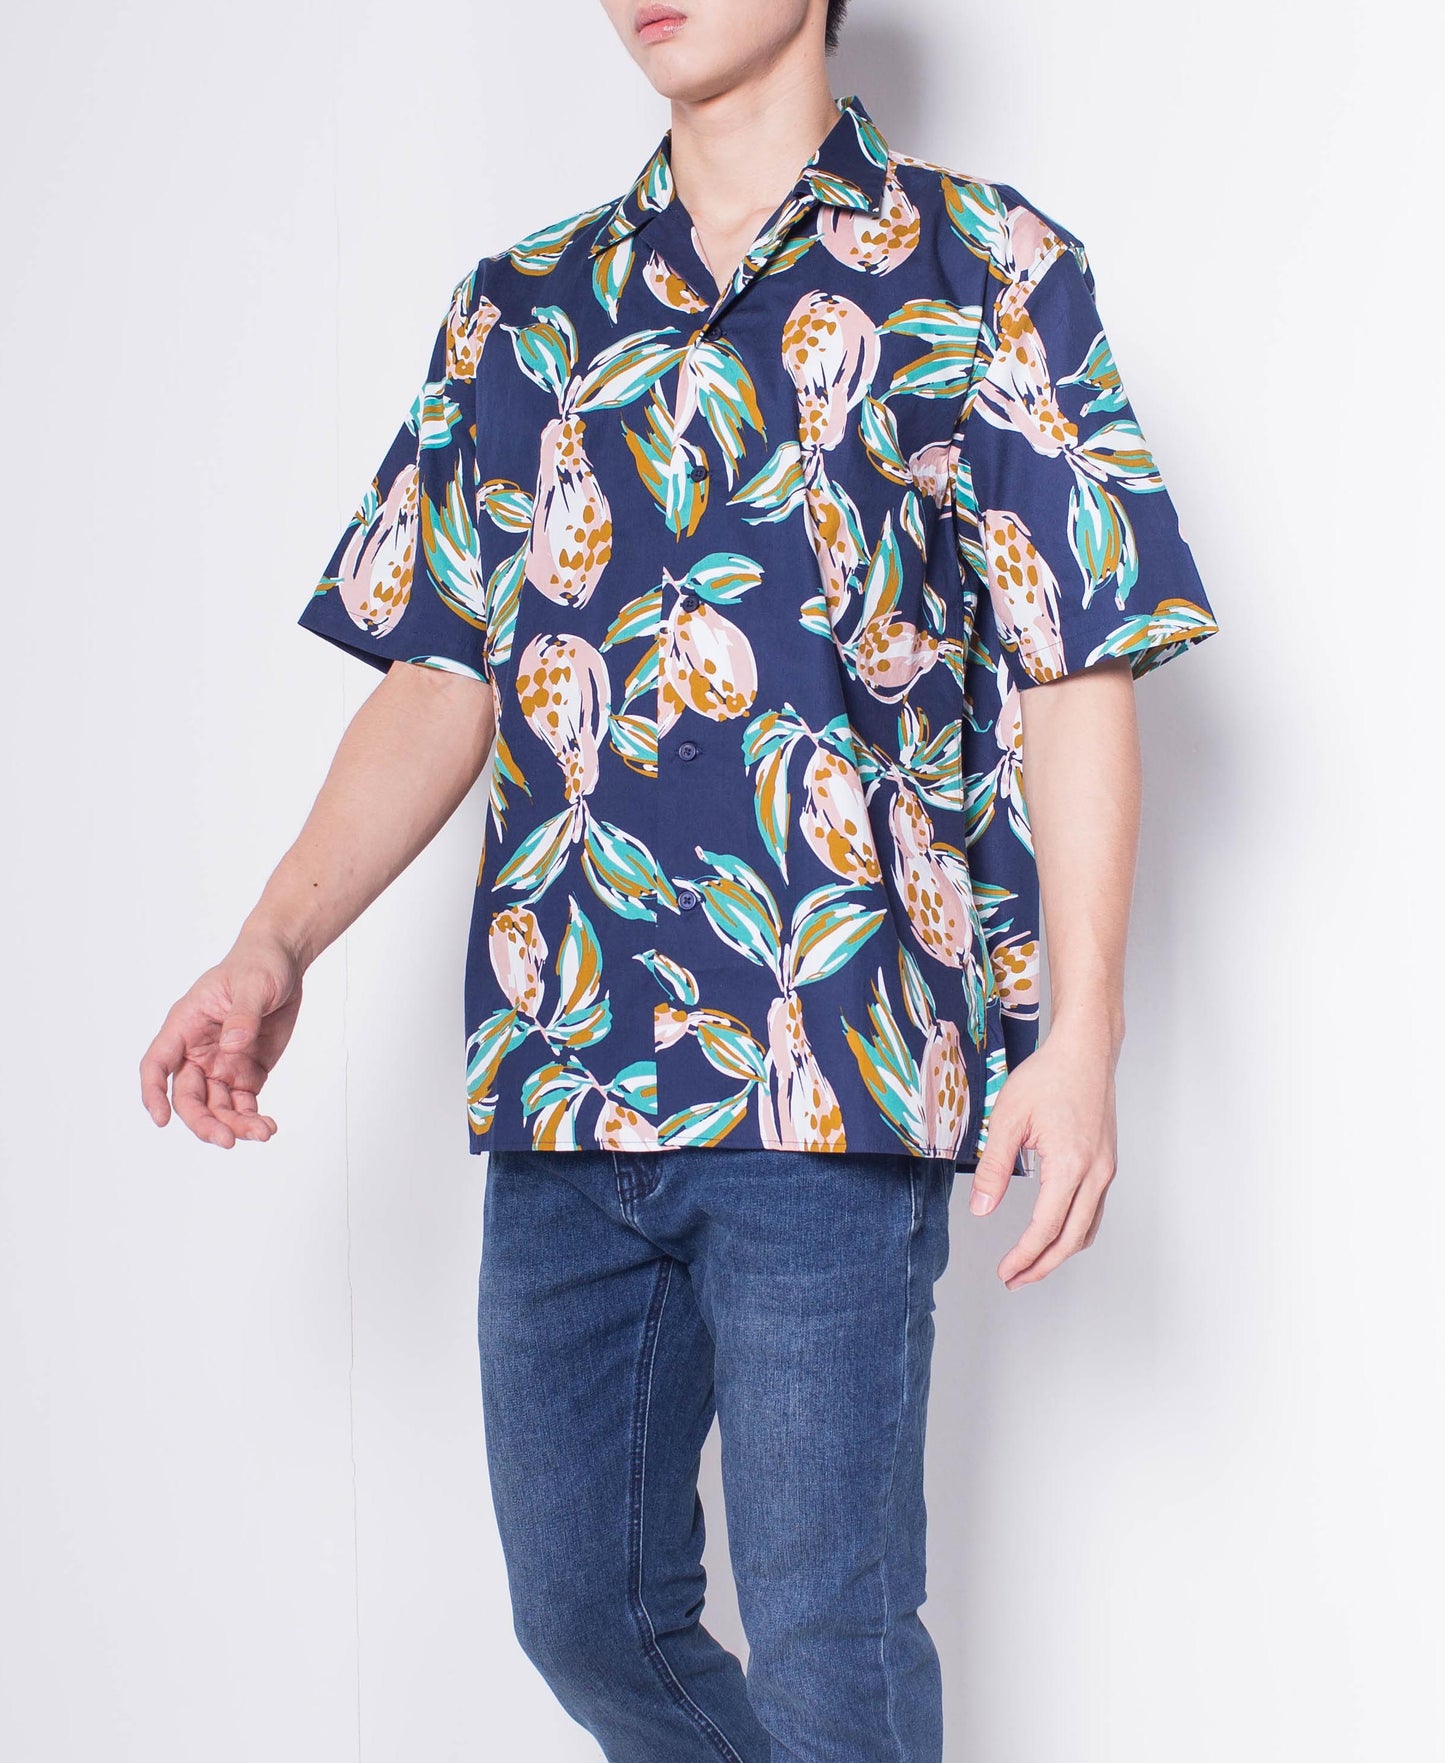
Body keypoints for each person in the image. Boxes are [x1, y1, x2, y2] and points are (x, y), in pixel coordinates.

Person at [139, 1, 1220, 1755]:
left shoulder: (983, 266)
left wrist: (1081, 1037)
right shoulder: (522, 306)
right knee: (584, 1615)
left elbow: (1076, 660)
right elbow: (440, 672)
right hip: (562, 1072)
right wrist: (273, 944)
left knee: (827, 1648)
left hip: (828, 1078)